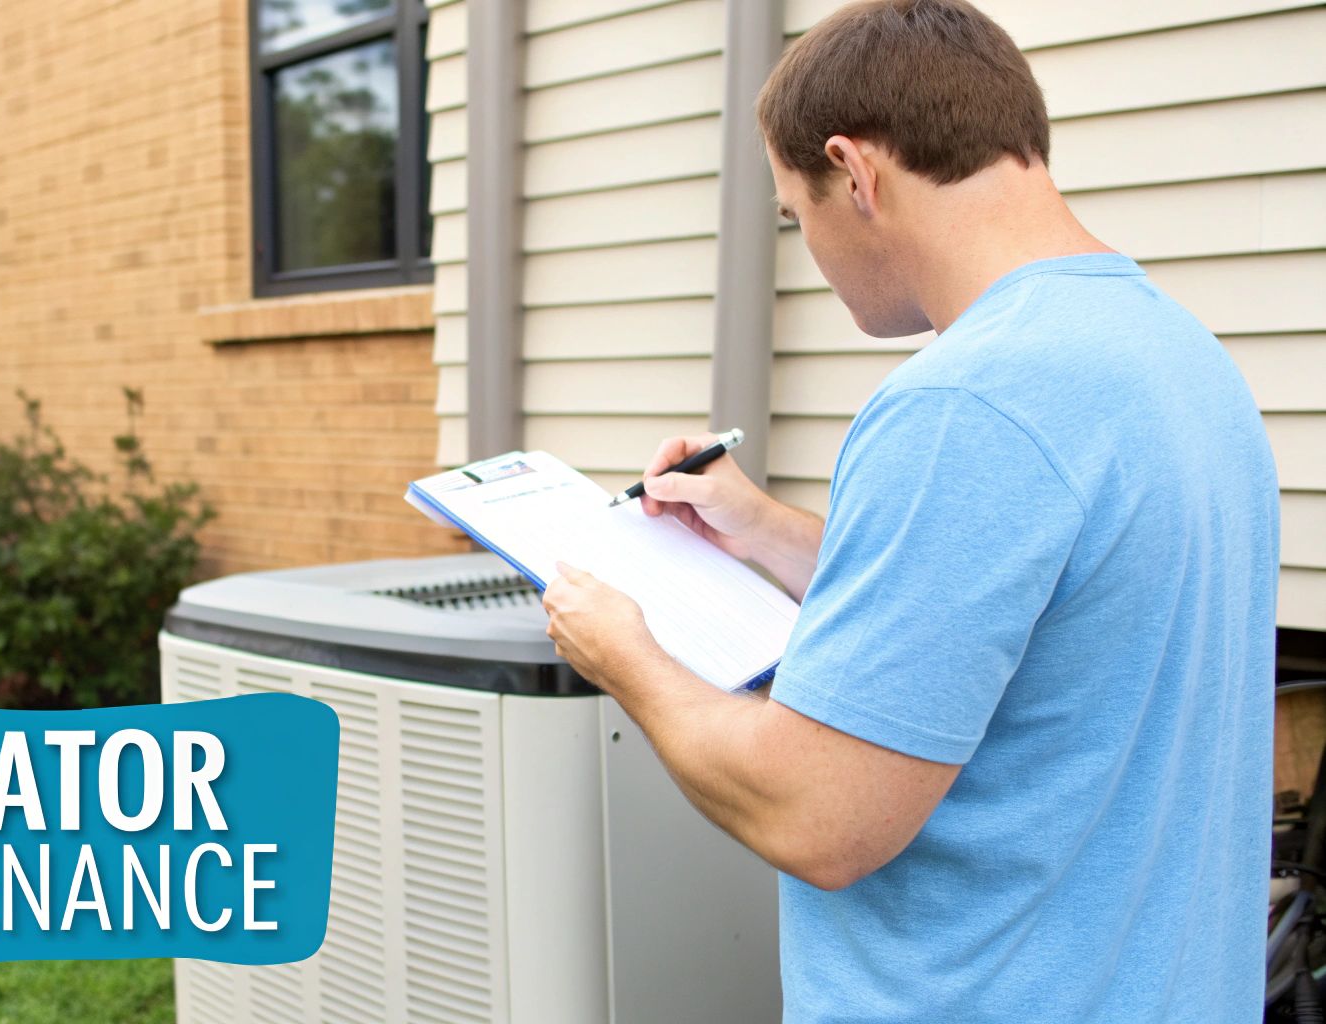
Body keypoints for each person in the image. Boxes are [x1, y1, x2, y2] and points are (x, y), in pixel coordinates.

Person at [539, 0, 1280, 1020]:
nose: (809, 247)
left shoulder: (963, 403)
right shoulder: (1174, 356)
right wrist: (756, 526)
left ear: (852, 172)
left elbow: (816, 815)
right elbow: (1024, 610)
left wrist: (623, 654)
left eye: (795, 216)